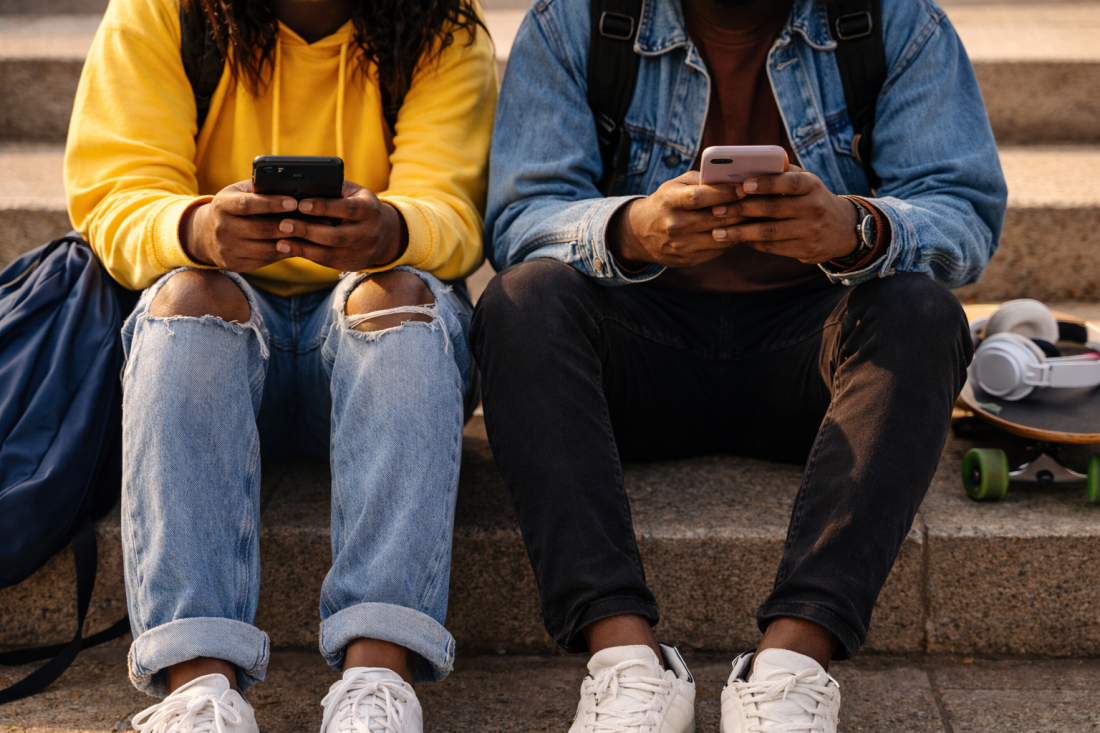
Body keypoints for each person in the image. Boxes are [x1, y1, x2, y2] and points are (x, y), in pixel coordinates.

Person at [471, 0, 1006, 729]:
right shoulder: (576, 22)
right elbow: (521, 215)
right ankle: (627, 663)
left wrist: (853, 228)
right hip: (636, 354)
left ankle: (791, 663)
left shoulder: (896, 23)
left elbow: (962, 210)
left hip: (810, 359)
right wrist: (631, 231)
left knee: (925, 312)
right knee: (519, 302)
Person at [63, 0, 496, 727]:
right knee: (187, 298)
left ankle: (377, 678)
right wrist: (197, 226)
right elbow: (113, 194)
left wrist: (390, 227)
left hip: (364, 331)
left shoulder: (439, 20)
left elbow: (454, 209)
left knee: (399, 297)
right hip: (222, 335)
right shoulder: (165, 10)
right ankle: (197, 685)